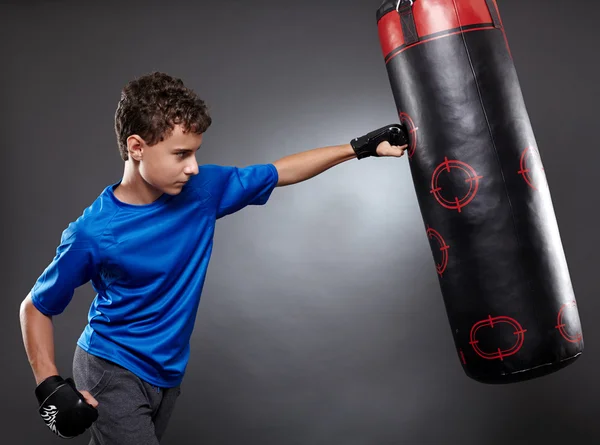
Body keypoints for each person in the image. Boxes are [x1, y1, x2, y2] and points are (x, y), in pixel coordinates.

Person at [19, 71, 408, 444]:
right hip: (112, 370)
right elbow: (35, 308)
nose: (192, 167)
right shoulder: (93, 233)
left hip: (168, 374)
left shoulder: (202, 191)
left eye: (196, 153)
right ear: (137, 147)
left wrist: (361, 147)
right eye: (180, 154)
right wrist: (49, 387)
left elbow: (280, 171)